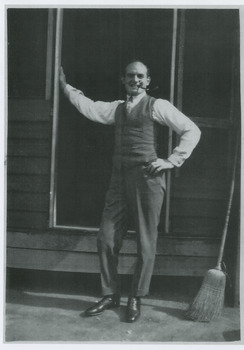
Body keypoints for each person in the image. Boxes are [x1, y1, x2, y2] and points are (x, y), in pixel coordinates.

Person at [59, 60, 201, 323]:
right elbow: (90, 108)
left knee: (146, 242)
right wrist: (66, 88)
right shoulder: (117, 108)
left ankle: (135, 297)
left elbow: (191, 129)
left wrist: (171, 160)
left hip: (147, 180)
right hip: (119, 180)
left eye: (140, 76)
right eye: (130, 76)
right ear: (123, 80)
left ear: (147, 80)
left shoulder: (157, 106)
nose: (135, 80)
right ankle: (110, 294)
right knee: (106, 237)